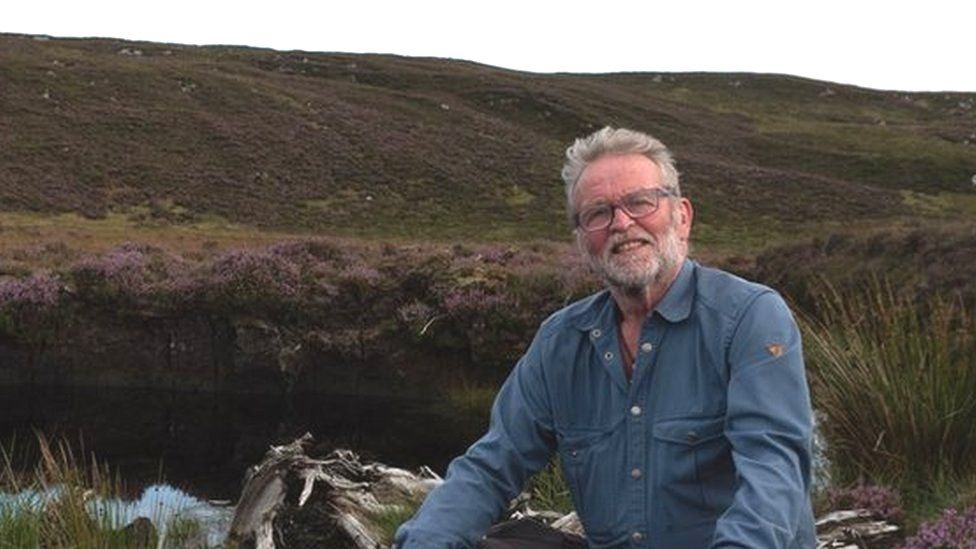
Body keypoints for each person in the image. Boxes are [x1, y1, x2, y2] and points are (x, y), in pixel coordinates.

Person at [395, 127, 816, 548]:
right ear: (582, 240)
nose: (621, 223)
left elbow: (772, 470)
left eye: (640, 202)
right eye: (598, 212)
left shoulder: (748, 317)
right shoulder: (561, 341)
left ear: (682, 216)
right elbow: (491, 466)